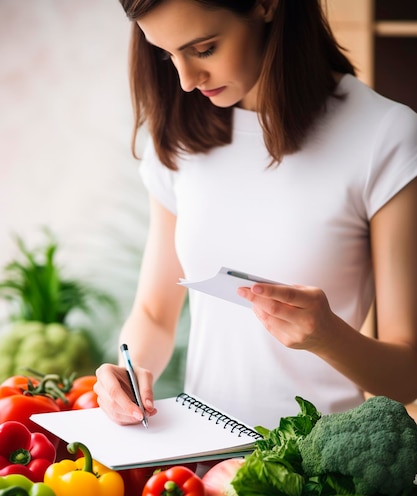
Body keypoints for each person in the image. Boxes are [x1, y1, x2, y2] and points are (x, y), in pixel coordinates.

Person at [94, 0, 417, 429]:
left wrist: (328, 337)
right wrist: (127, 374)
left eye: (204, 49)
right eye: (166, 54)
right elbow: (154, 314)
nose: (187, 81)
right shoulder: (177, 130)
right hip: (204, 465)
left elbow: (406, 379)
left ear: (266, 4)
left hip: (319, 476)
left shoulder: (383, 135)